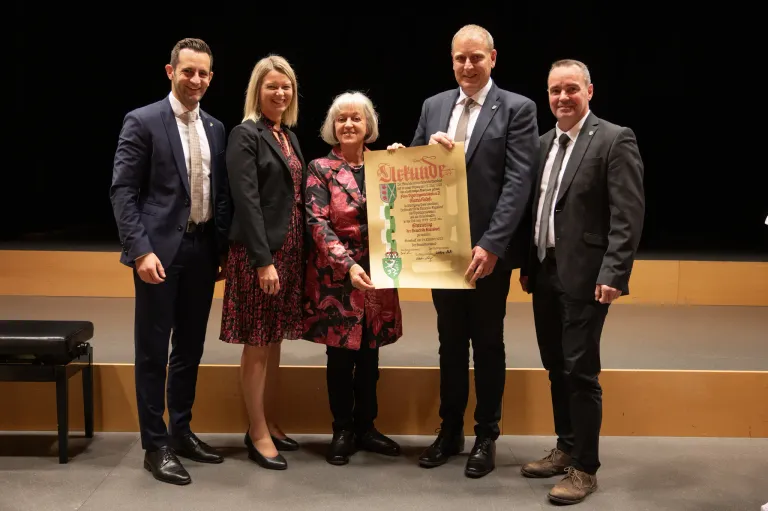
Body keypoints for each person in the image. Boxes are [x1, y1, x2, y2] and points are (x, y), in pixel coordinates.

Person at [388, 24, 539, 478]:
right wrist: (401, 155)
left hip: (486, 251)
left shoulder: (517, 108)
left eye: (476, 57)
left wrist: (492, 244)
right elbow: (416, 168)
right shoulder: (434, 106)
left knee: (488, 343)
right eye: (460, 58)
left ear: (493, 58)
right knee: (450, 342)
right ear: (451, 60)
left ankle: (486, 435)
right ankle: (450, 430)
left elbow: (518, 182)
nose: (468, 66)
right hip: (440, 249)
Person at [518, 59, 645, 505]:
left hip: (587, 277)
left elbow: (628, 214)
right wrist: (528, 265)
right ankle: (566, 447)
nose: (563, 97)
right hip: (544, 271)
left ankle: (585, 468)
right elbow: (534, 210)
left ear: (589, 91)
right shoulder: (541, 144)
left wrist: (614, 272)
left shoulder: (614, 138)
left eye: (571, 88)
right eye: (555, 90)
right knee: (556, 365)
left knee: (580, 371)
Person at [110, 38, 230, 485]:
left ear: (211, 77)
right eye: (188, 71)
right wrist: (140, 250)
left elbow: (219, 194)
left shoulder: (216, 128)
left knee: (190, 348)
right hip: (157, 253)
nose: (195, 80)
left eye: (203, 73)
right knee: (152, 351)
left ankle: (181, 431)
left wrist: (221, 250)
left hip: (202, 251)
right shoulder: (142, 120)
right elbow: (123, 191)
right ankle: (155, 445)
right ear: (170, 71)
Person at [303, 91, 403, 466]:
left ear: (368, 125)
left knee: (371, 355)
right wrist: (348, 265)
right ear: (333, 126)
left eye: (356, 118)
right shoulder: (320, 168)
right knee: (340, 357)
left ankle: (367, 427)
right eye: (341, 118)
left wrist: (405, 164)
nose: (348, 124)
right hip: (338, 278)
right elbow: (317, 223)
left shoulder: (386, 165)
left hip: (378, 276)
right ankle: (342, 429)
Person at [220, 55, 305, 471]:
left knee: (273, 343)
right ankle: (256, 431)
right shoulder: (245, 134)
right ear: (257, 90)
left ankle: (269, 420)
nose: (280, 92)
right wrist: (262, 261)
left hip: (289, 253)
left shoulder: (288, 135)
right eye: (272, 85)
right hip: (261, 256)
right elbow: (247, 201)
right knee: (257, 344)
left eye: (286, 86)